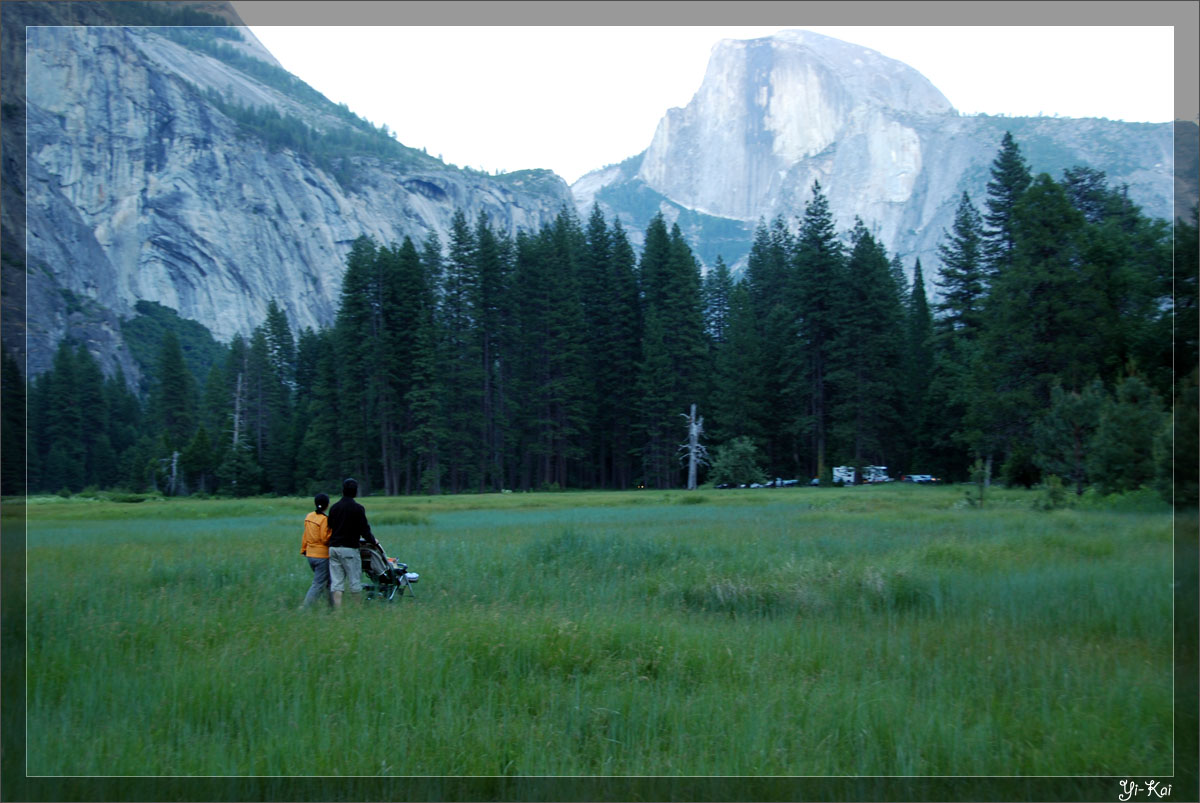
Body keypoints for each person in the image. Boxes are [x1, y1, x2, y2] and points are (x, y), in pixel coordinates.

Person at [326, 477, 379, 609]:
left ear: (343, 491)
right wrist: (374, 542)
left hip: (333, 548)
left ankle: (337, 612)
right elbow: (364, 530)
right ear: (355, 492)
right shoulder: (358, 508)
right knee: (354, 581)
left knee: (337, 582)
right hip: (349, 549)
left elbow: (330, 526)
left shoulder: (334, 508)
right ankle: (358, 609)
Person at [299, 493, 333, 608]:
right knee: (318, 584)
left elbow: (305, 536)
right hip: (322, 556)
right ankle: (305, 608)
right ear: (327, 505)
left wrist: (304, 550)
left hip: (310, 555)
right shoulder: (325, 519)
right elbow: (324, 539)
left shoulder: (309, 516)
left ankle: (332, 607)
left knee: (328, 582)